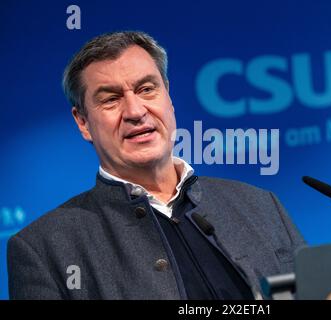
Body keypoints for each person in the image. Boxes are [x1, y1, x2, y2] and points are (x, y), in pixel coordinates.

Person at [7, 31, 305, 300]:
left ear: (168, 97)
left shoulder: (262, 206)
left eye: (147, 89)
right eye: (111, 99)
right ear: (83, 122)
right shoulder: (43, 249)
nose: (135, 111)